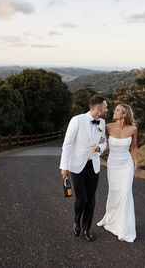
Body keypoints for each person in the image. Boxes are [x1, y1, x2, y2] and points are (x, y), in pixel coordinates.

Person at [60, 94, 108, 242]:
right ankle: (76, 221)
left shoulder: (102, 122)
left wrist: (99, 148)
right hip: (77, 166)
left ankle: (87, 228)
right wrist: (64, 167)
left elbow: (103, 141)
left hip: (93, 166)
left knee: (91, 200)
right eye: (105, 107)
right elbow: (67, 144)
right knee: (82, 198)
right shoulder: (77, 120)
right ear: (98, 108)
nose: (107, 109)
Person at [97, 103, 138, 242]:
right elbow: (100, 140)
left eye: (117, 110)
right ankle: (110, 218)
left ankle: (124, 229)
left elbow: (134, 147)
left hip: (126, 164)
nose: (114, 111)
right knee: (114, 193)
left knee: (125, 193)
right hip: (113, 164)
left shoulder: (133, 129)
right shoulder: (108, 127)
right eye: (114, 109)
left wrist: (136, 161)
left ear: (124, 114)